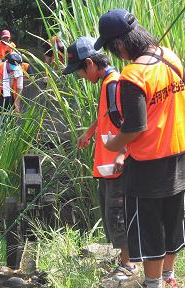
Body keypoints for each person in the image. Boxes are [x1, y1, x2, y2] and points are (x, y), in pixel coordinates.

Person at [95, 9, 185, 288]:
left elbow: (135, 127)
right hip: (179, 156)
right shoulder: (171, 57)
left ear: (120, 44)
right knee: (173, 219)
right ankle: (169, 277)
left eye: (111, 47)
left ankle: (152, 282)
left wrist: (113, 144)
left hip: (148, 164)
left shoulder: (132, 75)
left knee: (148, 226)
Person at [63, 36, 135, 281]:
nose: (80, 76)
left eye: (80, 71)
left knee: (118, 214)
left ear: (91, 63)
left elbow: (131, 123)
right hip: (107, 165)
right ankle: (125, 259)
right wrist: (90, 131)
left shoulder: (114, 84)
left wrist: (123, 155)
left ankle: (128, 264)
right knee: (111, 212)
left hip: (116, 165)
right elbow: (109, 113)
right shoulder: (107, 84)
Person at [0, 52, 23, 123]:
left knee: (9, 119)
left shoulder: (18, 71)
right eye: (12, 67)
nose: (13, 70)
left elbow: (19, 88)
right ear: (7, 62)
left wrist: (17, 104)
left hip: (11, 95)